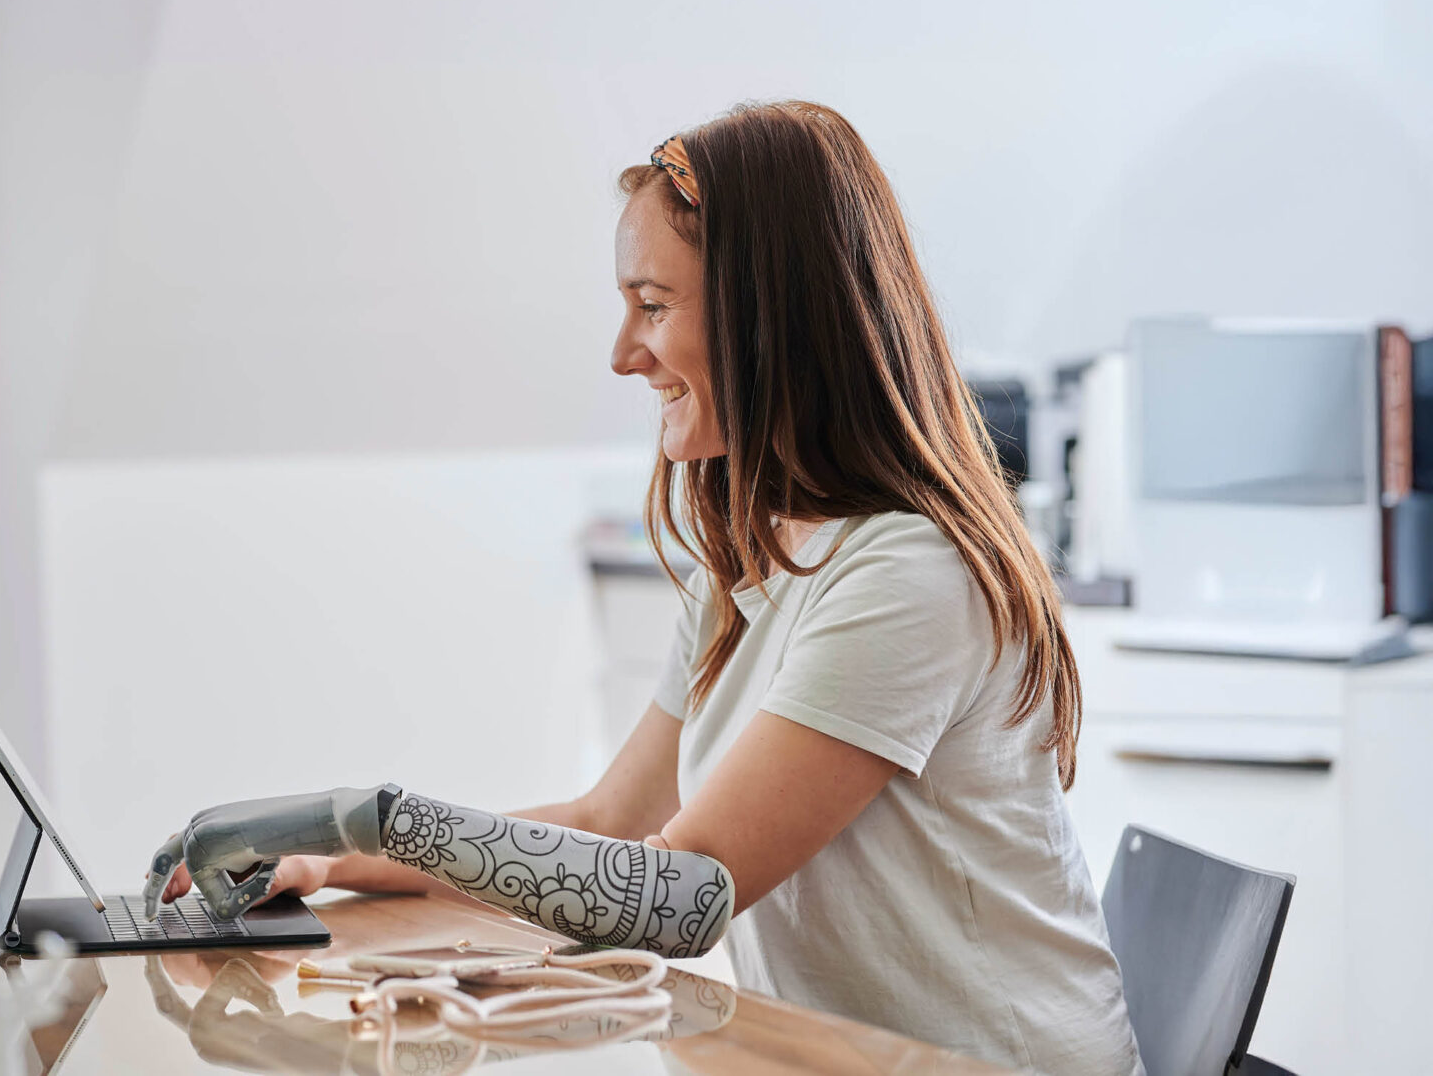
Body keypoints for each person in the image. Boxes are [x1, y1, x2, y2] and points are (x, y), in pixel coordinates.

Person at [144, 101, 1140, 1075]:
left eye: (652, 306)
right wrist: (328, 862)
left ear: (768, 321)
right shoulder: (750, 556)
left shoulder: (908, 571)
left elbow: (679, 893)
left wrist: (360, 813)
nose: (623, 354)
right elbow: (613, 821)